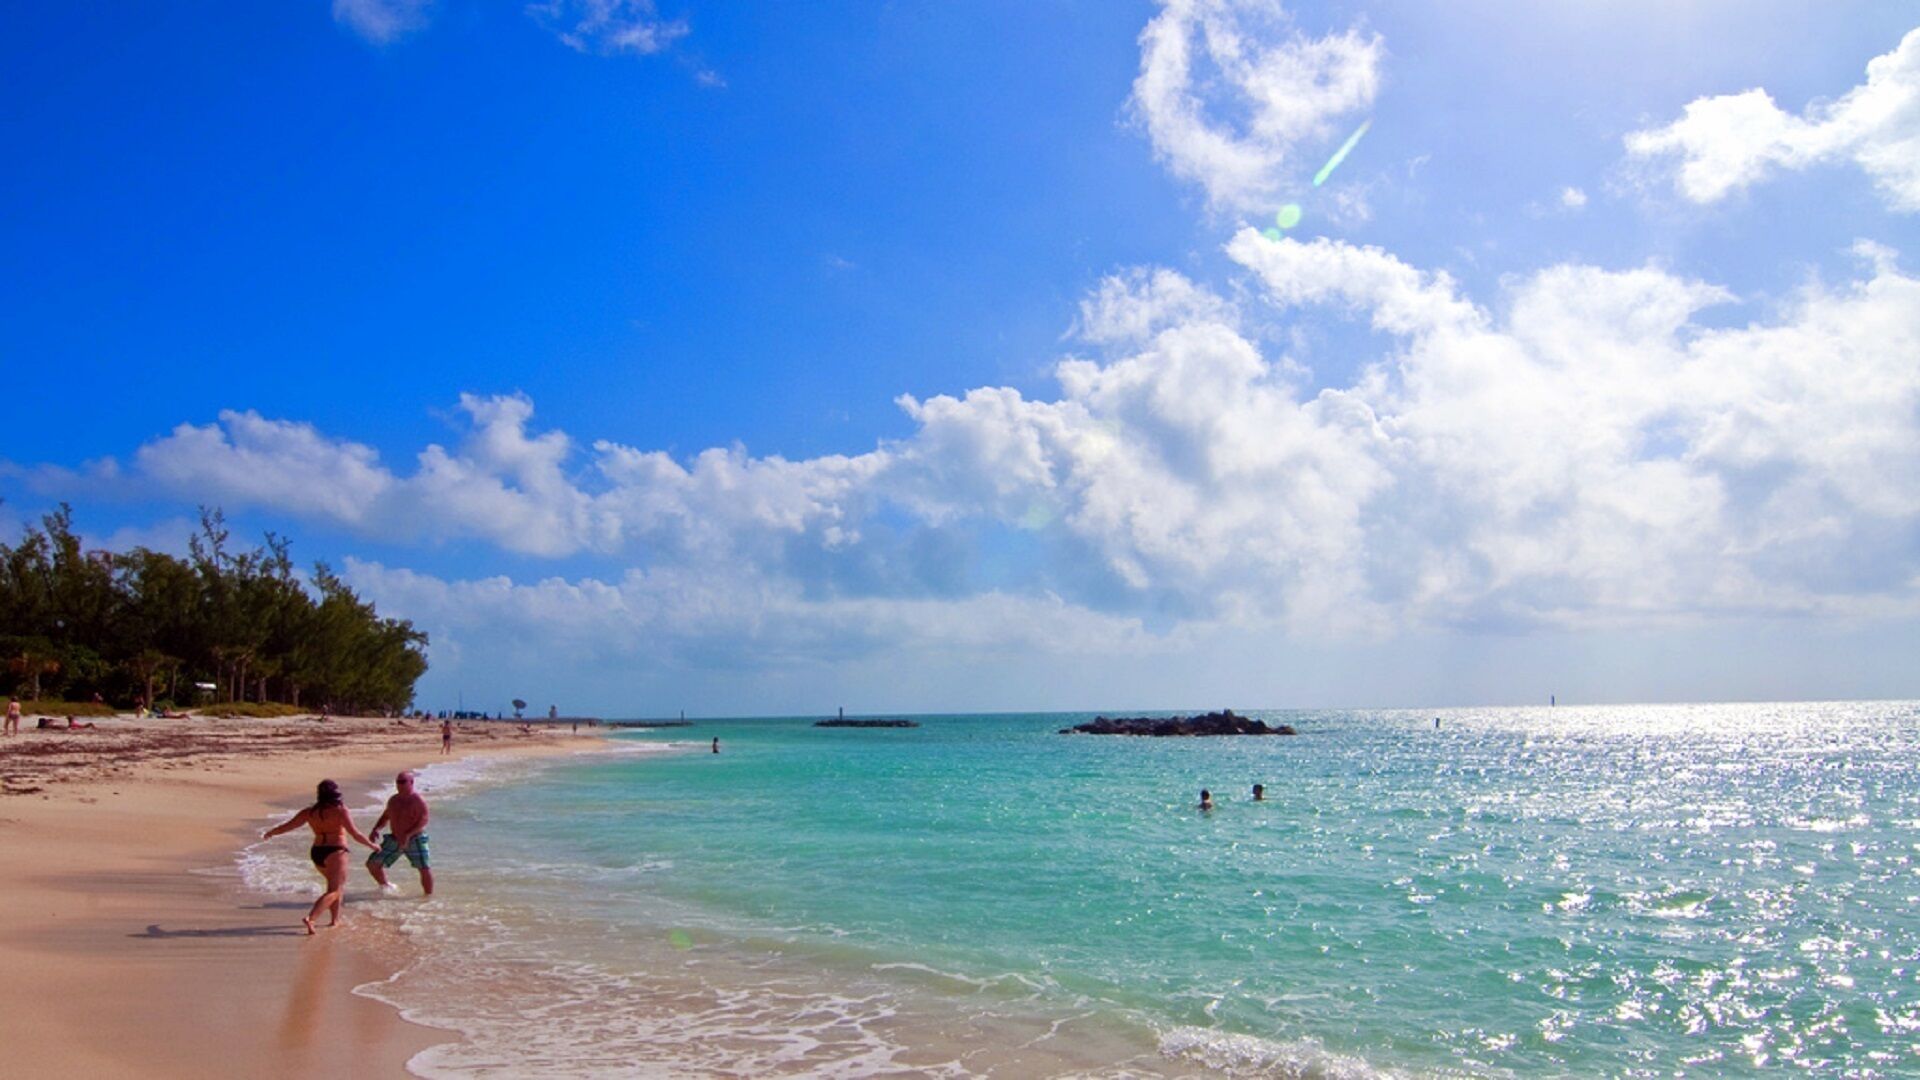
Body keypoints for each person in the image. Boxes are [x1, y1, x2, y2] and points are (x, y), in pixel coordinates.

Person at [262, 779, 377, 935]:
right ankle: (311, 918)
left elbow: (288, 826)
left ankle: (335, 920)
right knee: (335, 890)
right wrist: (372, 846)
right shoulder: (340, 811)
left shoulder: (310, 812)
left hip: (317, 852)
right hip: (336, 851)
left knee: (334, 887)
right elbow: (355, 834)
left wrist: (271, 832)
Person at [366, 771, 433, 896]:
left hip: (415, 838)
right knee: (372, 864)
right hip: (395, 838)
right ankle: (386, 886)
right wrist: (376, 829)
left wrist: (408, 834)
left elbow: (424, 820)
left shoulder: (417, 800)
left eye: (403, 782)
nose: (400, 784)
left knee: (424, 868)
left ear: (411, 783)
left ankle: (428, 897)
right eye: (398, 782)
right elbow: (386, 816)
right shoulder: (394, 800)